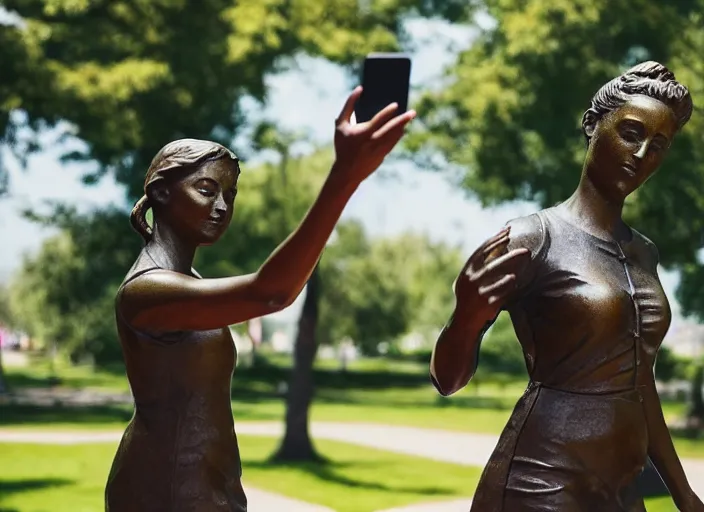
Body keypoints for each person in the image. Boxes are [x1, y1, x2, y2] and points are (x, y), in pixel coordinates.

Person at [105, 87, 416, 511]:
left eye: (229, 195)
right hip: (166, 490)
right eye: (206, 189)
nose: (221, 206)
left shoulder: (186, 280)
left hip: (207, 485)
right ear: (161, 193)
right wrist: (344, 177)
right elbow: (271, 292)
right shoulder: (146, 291)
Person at [430, 61, 703, 511]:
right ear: (593, 125)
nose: (640, 155)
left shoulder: (646, 254)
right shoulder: (531, 240)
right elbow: (447, 380)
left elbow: (640, 384)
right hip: (540, 483)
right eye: (631, 133)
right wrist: (467, 317)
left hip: (621, 489)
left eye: (659, 145)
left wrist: (683, 492)